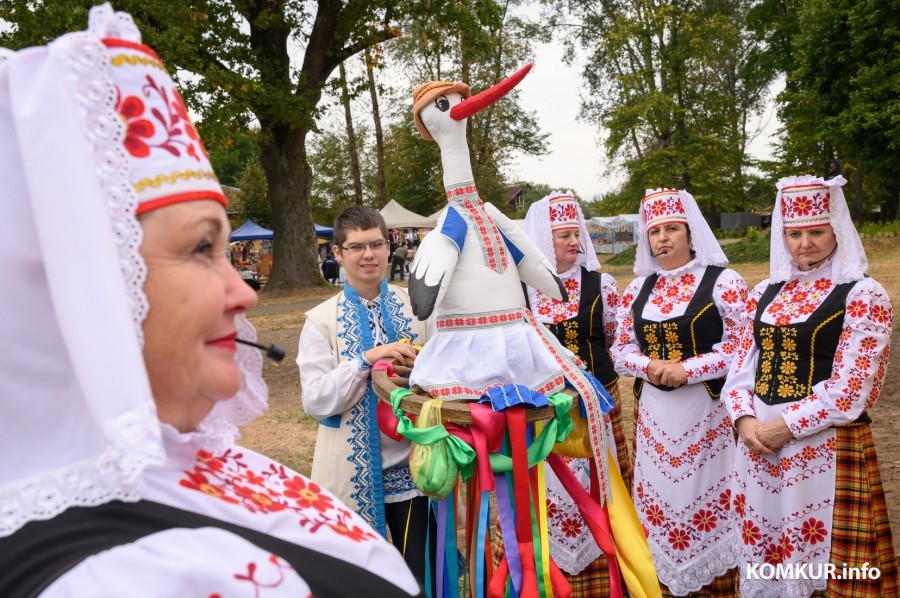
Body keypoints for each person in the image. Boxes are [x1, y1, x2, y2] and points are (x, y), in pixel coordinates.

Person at [0, 7, 421, 597]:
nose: (244, 290)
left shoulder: (171, 470)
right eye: (202, 246)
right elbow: (317, 399)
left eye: (227, 249)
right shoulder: (126, 578)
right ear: (77, 292)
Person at [721, 175, 898, 597]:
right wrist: (745, 421)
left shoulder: (862, 293)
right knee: (769, 547)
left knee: (824, 560)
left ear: (836, 227)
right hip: (759, 449)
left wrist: (785, 426)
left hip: (823, 446)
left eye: (816, 232)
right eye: (795, 233)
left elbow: (854, 389)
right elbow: (741, 367)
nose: (805, 243)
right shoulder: (764, 292)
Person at [611, 188, 747, 596]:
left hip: (707, 411)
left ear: (691, 234)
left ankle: (718, 581)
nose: (663, 238)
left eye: (672, 229)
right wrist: (651, 366)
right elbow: (619, 350)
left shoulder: (723, 281)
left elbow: (743, 348)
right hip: (654, 412)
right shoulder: (637, 289)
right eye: (655, 232)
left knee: (708, 491)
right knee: (661, 495)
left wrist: (688, 369)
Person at [297, 206, 433, 588]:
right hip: (350, 471)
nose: (368, 254)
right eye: (356, 247)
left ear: (389, 247)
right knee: (361, 584)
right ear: (337, 253)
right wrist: (364, 360)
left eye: (376, 243)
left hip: (416, 469)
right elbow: (316, 400)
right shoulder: (320, 320)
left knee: (419, 579)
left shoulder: (418, 306)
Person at [522, 191, 633, 595]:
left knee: (602, 486)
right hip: (545, 411)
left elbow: (618, 341)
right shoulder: (523, 291)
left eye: (577, 234)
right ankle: (554, 573)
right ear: (541, 239)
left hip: (598, 403)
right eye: (564, 235)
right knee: (554, 488)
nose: (575, 242)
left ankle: (609, 572)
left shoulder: (600, 283)